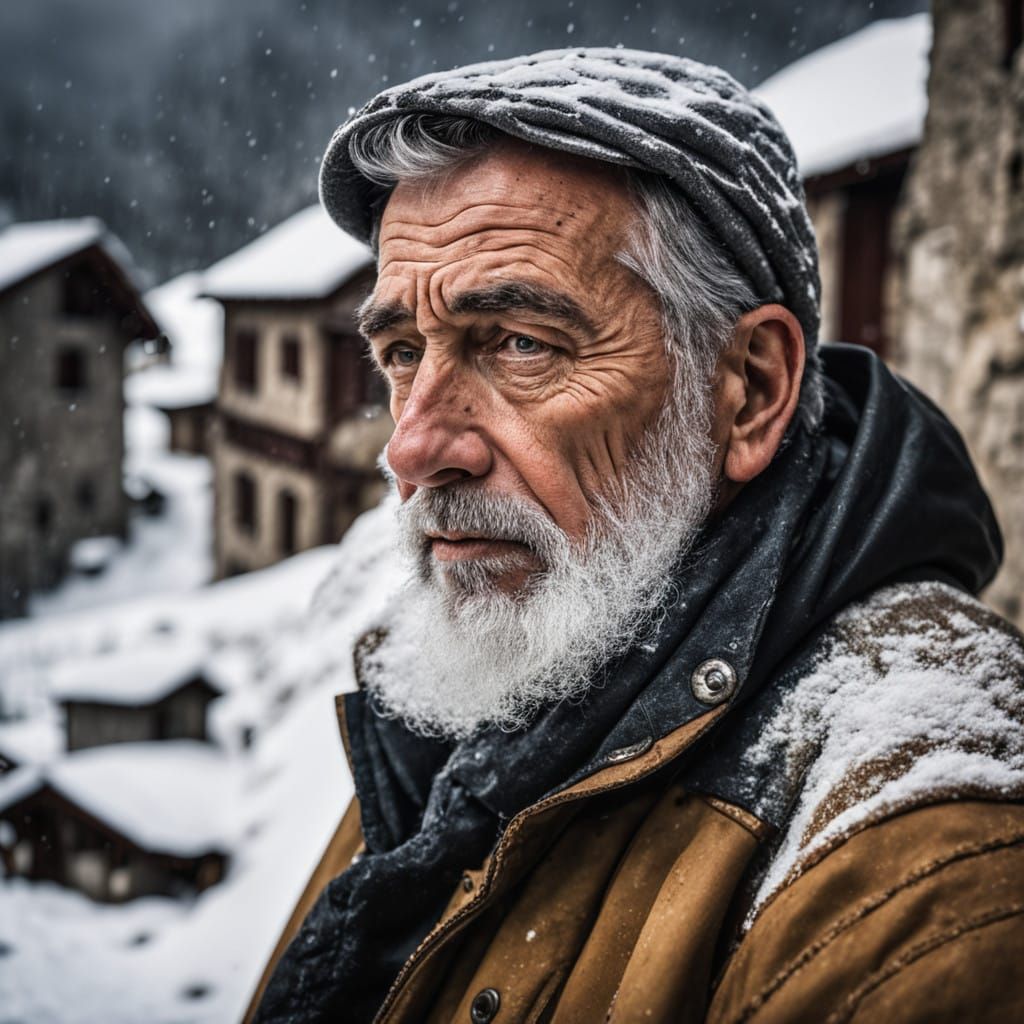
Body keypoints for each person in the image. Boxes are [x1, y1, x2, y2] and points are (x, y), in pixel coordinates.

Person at [247, 48, 1024, 1024]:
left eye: (520, 343)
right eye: (402, 352)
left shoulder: (926, 859)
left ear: (748, 392)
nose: (412, 447)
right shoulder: (516, 662)